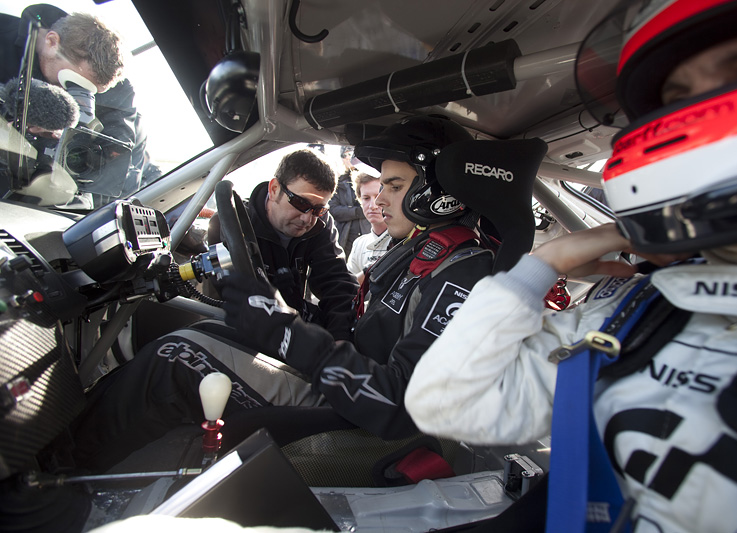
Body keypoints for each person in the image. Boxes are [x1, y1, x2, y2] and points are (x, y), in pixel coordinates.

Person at [405, 1, 737, 532]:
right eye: (677, 97)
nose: (698, 110)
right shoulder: (639, 308)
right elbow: (444, 404)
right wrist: (543, 264)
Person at [71, 115, 497, 472]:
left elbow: (398, 403)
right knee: (197, 334)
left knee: (177, 355)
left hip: (357, 415)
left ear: (437, 193)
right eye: (383, 186)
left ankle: (61, 474)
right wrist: (303, 330)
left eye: (395, 186)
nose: (379, 200)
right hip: (350, 382)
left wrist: (286, 332)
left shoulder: (462, 272)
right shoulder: (425, 251)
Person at [207, 148, 358, 341]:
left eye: (318, 209)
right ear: (274, 189)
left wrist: (340, 341)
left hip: (293, 332)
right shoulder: (230, 224)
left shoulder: (319, 224)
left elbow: (337, 283)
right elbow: (221, 301)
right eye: (300, 203)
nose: (307, 218)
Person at [0, 4, 147, 201]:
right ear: (52, 42)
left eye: (90, 92)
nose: (68, 93)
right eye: (69, 83)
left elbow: (114, 170)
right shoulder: (4, 38)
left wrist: (77, 136)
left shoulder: (119, 91)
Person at [346, 172, 391, 284]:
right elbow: (348, 287)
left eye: (378, 197)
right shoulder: (359, 244)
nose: (373, 206)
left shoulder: (405, 240)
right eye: (366, 198)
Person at [328, 145, 370, 257]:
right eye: (345, 155)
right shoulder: (338, 183)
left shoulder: (373, 178)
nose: (348, 158)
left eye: (351, 154)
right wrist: (359, 212)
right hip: (346, 237)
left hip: (369, 234)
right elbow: (333, 209)